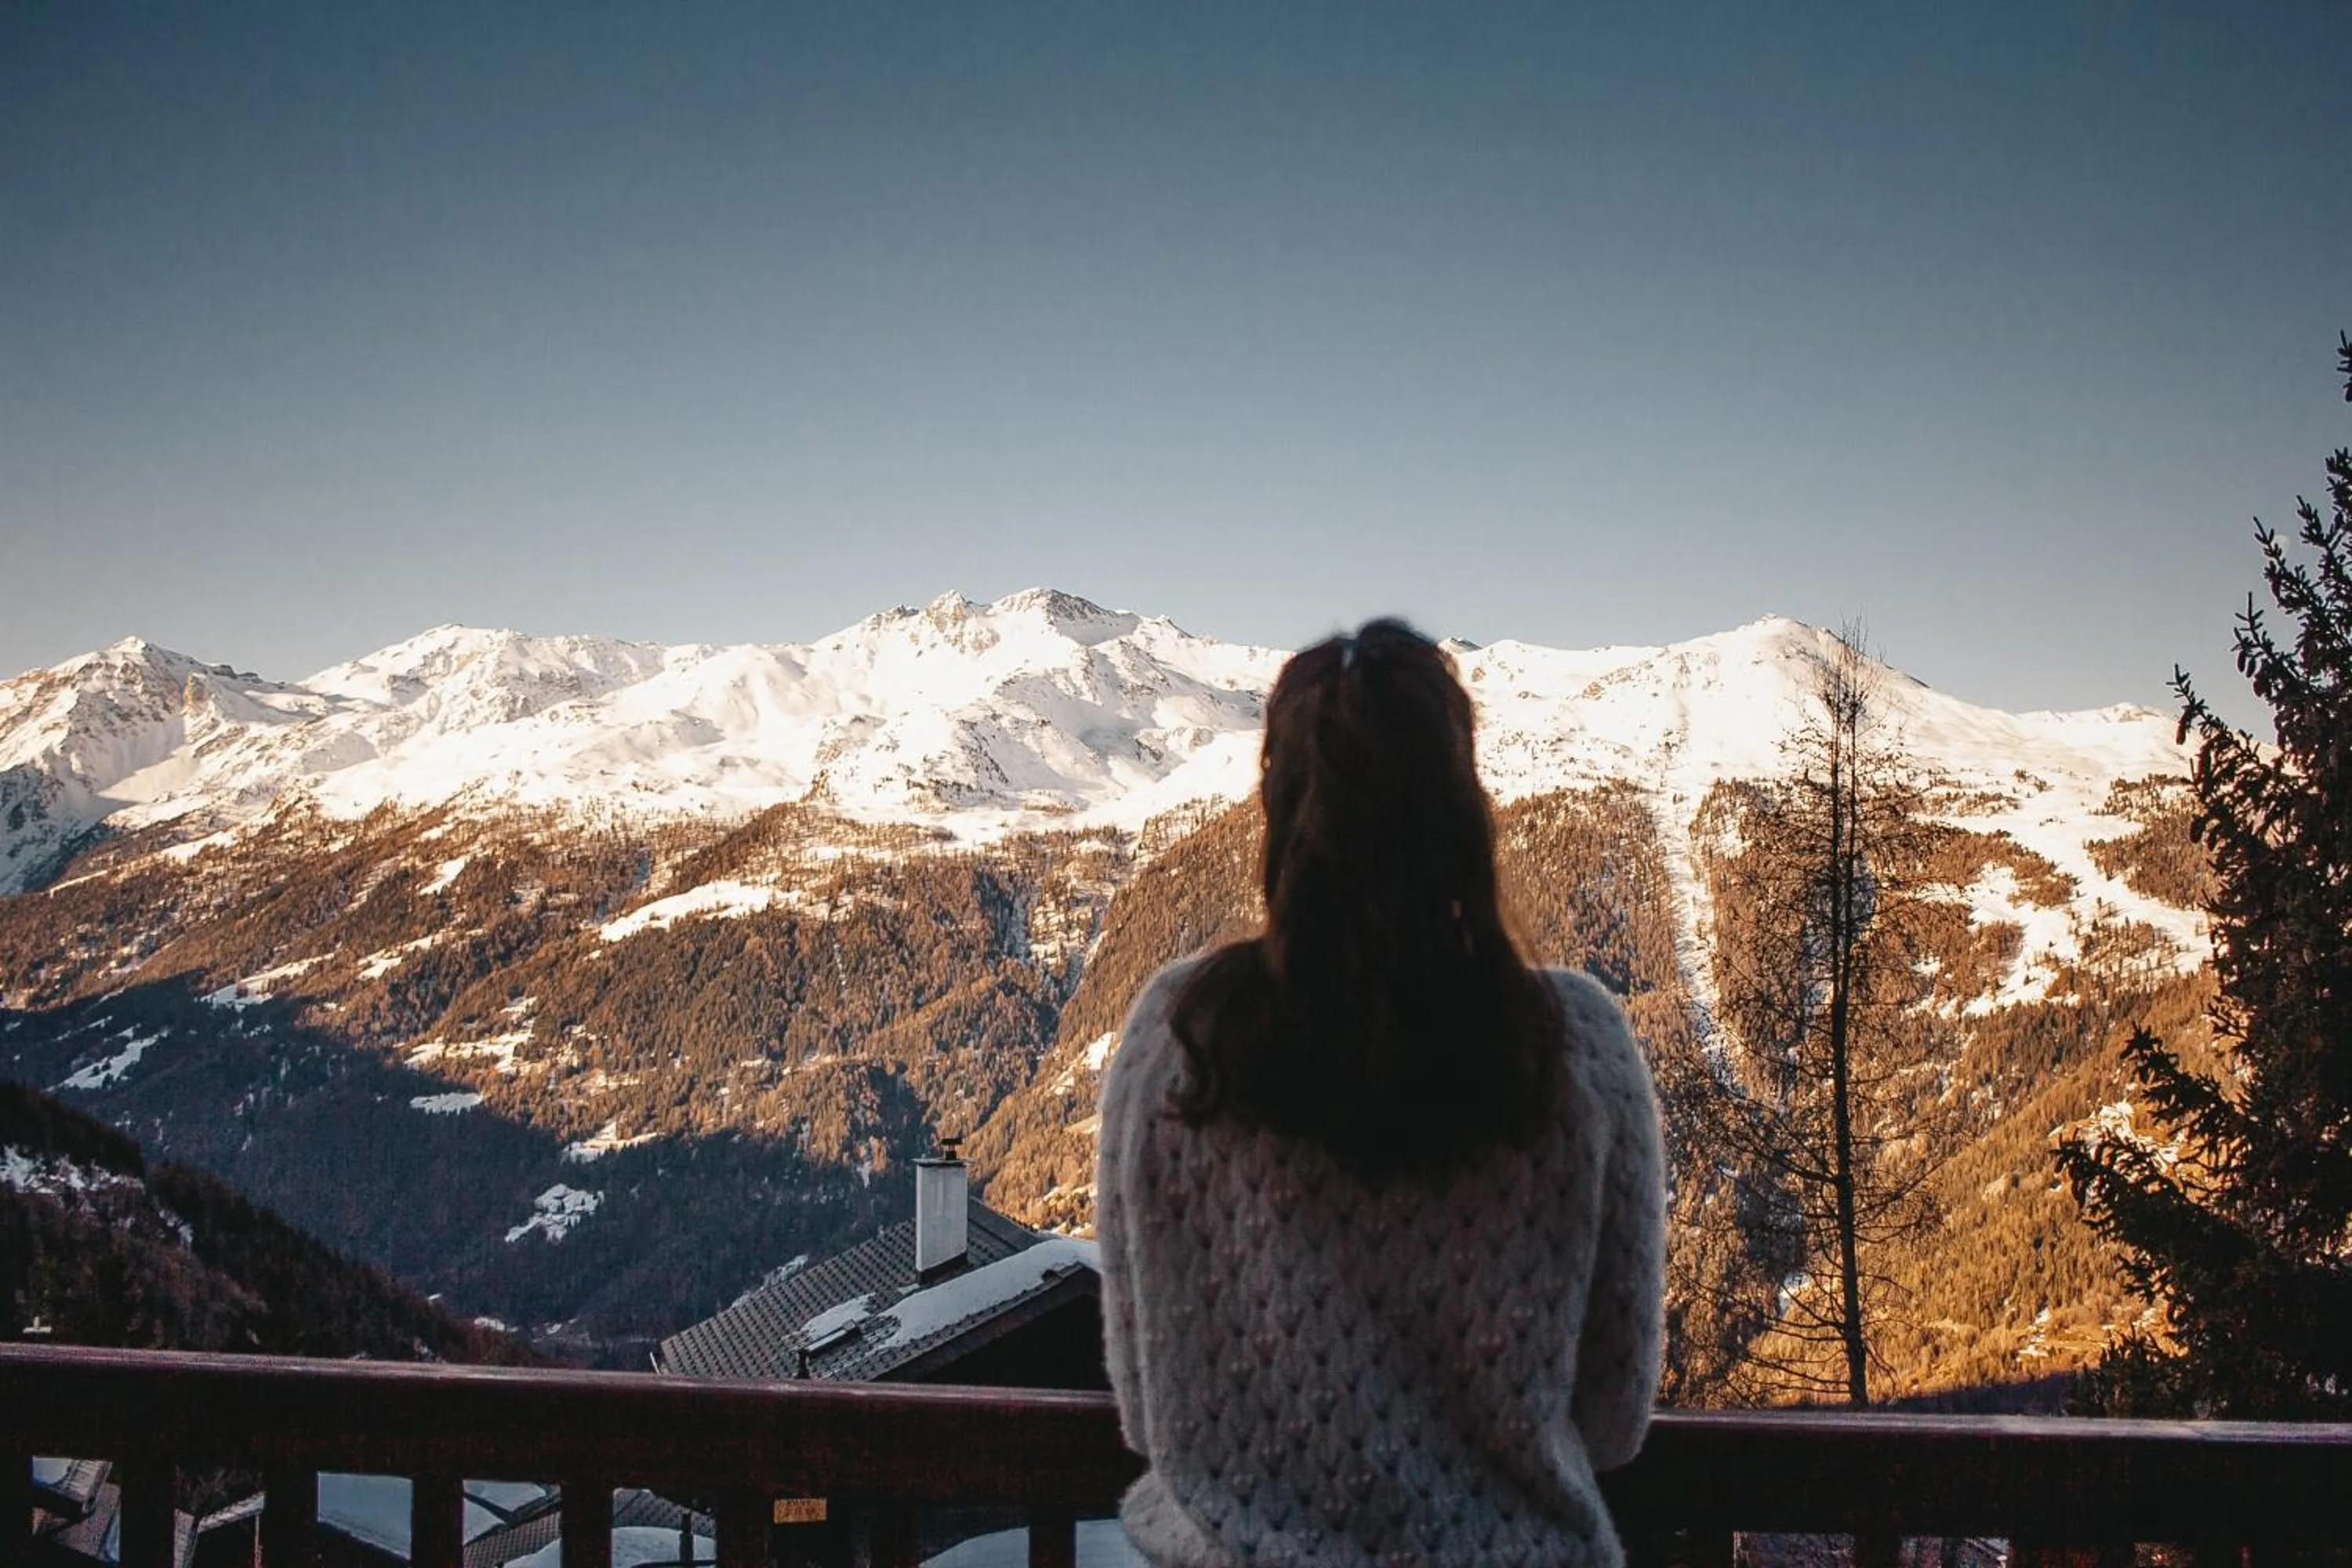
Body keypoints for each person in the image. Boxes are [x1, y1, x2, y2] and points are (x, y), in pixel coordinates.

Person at [1094, 617, 1667, 1568]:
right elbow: (1613, 1417)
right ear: (1461, 814)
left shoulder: (1181, 1035)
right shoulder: (1572, 1046)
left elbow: (1147, 1409)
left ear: (1281, 811)